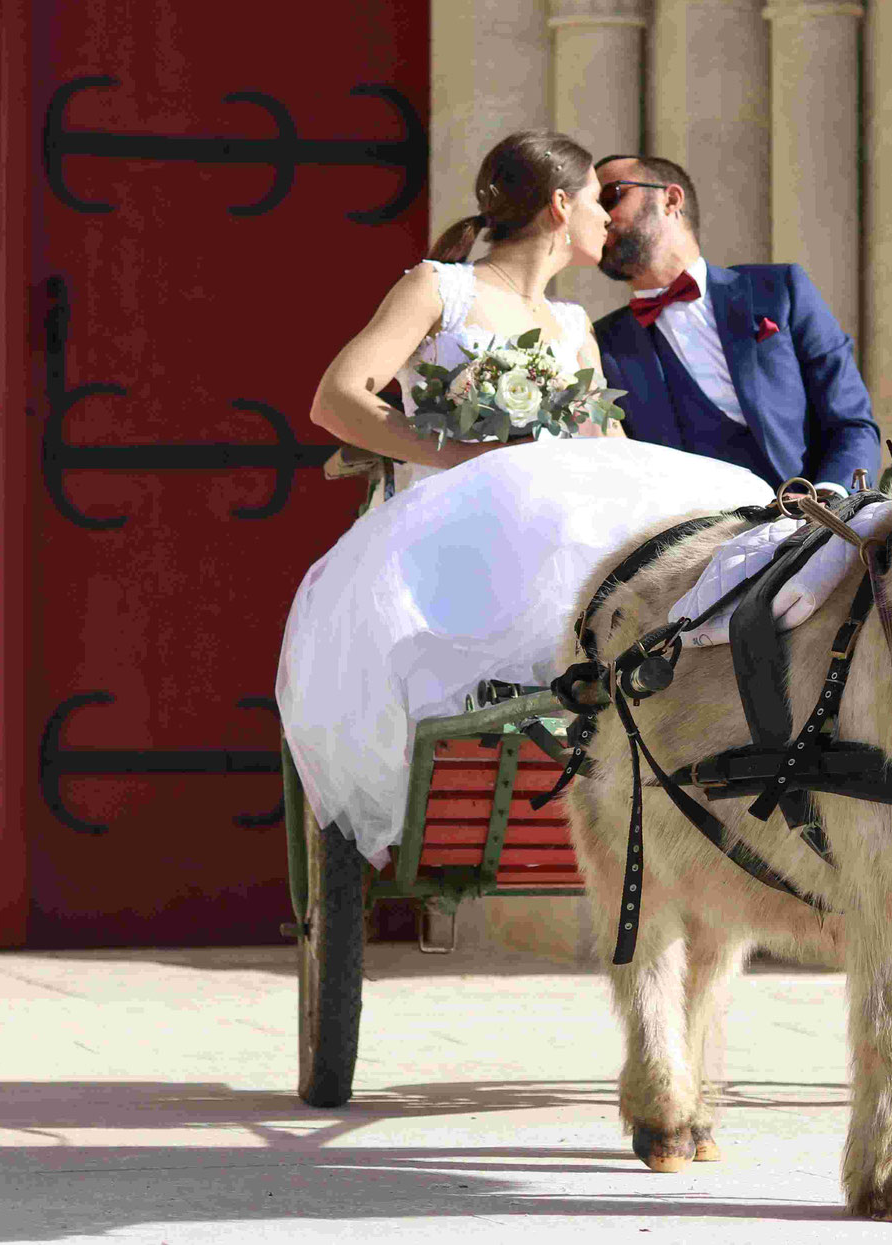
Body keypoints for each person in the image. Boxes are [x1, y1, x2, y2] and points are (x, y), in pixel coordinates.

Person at [277, 131, 773, 862]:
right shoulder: (440, 288)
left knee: (723, 504)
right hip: (454, 521)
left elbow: (604, 441)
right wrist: (462, 455)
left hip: (555, 522)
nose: (607, 220)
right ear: (559, 206)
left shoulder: (574, 325)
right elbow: (336, 398)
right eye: (596, 203)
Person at [593, 154, 881, 496]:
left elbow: (851, 420)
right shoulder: (600, 343)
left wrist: (829, 499)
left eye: (610, 197)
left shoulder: (780, 289)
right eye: (592, 206)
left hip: (815, 528)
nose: (599, 215)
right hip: (692, 538)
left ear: (671, 200)